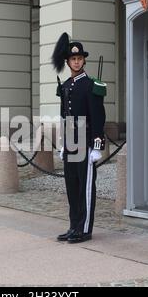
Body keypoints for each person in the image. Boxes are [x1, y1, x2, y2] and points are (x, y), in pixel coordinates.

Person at [52, 33, 107, 244]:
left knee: (85, 187)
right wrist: (63, 145)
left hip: (85, 144)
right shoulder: (65, 86)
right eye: (73, 59)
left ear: (84, 60)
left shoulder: (91, 85)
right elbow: (64, 117)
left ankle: (84, 229)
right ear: (68, 62)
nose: (76, 61)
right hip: (71, 144)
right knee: (72, 187)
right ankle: (73, 225)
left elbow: (98, 117)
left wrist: (97, 146)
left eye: (79, 58)